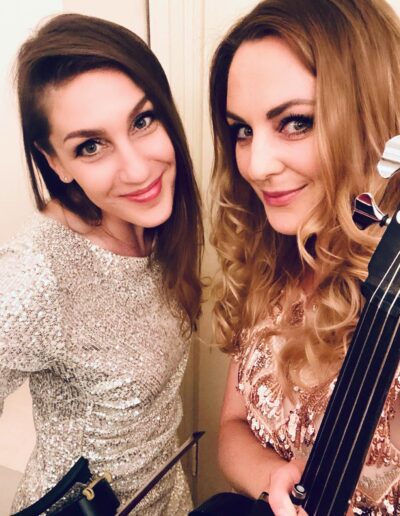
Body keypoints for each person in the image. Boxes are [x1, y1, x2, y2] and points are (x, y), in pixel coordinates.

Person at [0, 13, 203, 515]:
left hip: (168, 497)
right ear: (55, 161)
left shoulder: (156, 223)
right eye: (91, 146)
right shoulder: (36, 275)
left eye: (142, 121)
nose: (137, 169)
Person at [209, 0, 400, 514]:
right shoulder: (273, 256)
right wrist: (275, 479)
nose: (256, 165)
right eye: (242, 130)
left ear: (373, 119)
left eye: (295, 122)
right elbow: (231, 426)